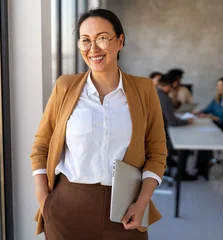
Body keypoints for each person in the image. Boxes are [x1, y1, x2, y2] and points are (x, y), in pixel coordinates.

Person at [30, 9, 167, 239]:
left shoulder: (144, 90)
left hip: (125, 211)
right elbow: (41, 145)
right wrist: (44, 200)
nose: (93, 48)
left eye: (102, 38)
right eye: (85, 40)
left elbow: (157, 152)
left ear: (120, 41)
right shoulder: (65, 87)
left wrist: (142, 202)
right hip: (67, 208)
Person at [194, 77, 223, 180]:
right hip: (213, 125)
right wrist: (196, 112)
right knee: (201, 138)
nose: (218, 87)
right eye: (217, 85)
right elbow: (207, 109)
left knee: (206, 139)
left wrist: (211, 117)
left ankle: (205, 167)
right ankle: (200, 166)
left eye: (221, 85)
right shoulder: (217, 98)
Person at [156, 73, 197, 181]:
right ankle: (181, 174)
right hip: (160, 136)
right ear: (168, 86)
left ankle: (169, 163)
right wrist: (187, 121)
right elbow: (172, 121)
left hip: (153, 133)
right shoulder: (164, 98)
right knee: (185, 145)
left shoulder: (154, 92)